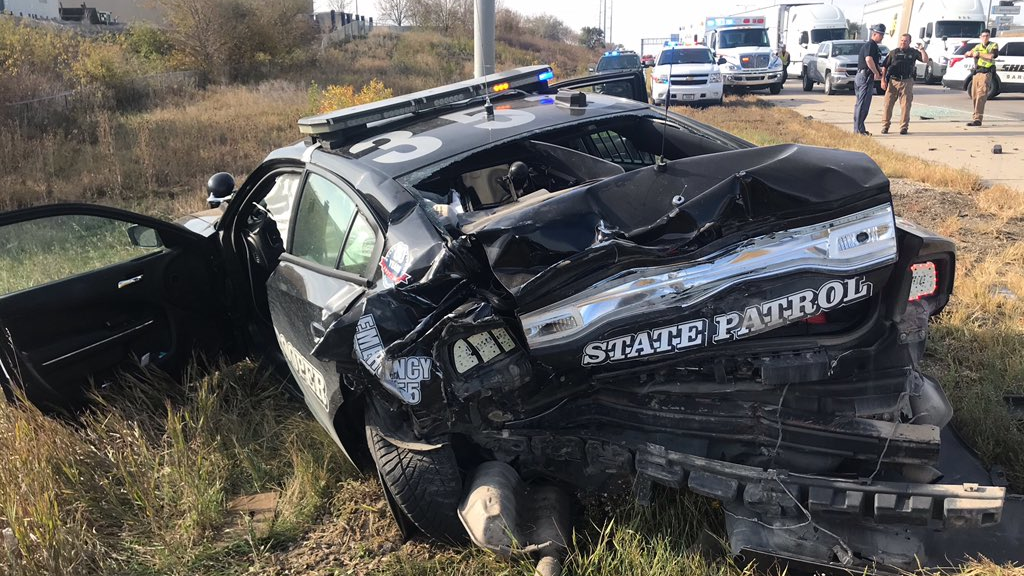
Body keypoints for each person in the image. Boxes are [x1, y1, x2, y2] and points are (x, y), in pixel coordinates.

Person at [880, 33, 928, 135]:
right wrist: (883, 80)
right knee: (888, 105)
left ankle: (903, 127)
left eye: (905, 41)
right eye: (902, 40)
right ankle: (885, 126)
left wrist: (922, 49)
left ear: (909, 42)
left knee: (906, 105)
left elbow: (925, 60)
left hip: (906, 81)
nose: (903, 42)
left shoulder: (913, 52)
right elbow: (884, 66)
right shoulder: (893, 53)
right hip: (893, 81)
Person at [854, 24, 886, 135]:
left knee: (860, 104)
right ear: (874, 34)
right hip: (865, 77)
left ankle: (859, 129)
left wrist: (880, 70)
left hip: (862, 76)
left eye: (883, 35)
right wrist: (876, 73)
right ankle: (858, 131)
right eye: (880, 35)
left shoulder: (874, 46)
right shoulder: (870, 45)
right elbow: (868, 59)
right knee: (863, 105)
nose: (882, 37)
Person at [965, 29, 999, 127]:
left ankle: (978, 119)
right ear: (980, 37)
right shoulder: (977, 46)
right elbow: (967, 54)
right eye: (983, 36)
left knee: (981, 96)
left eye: (987, 36)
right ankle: (976, 117)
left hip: (986, 73)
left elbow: (991, 56)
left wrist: (979, 54)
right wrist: (970, 53)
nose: (985, 38)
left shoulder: (993, 45)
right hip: (977, 73)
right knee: (975, 96)